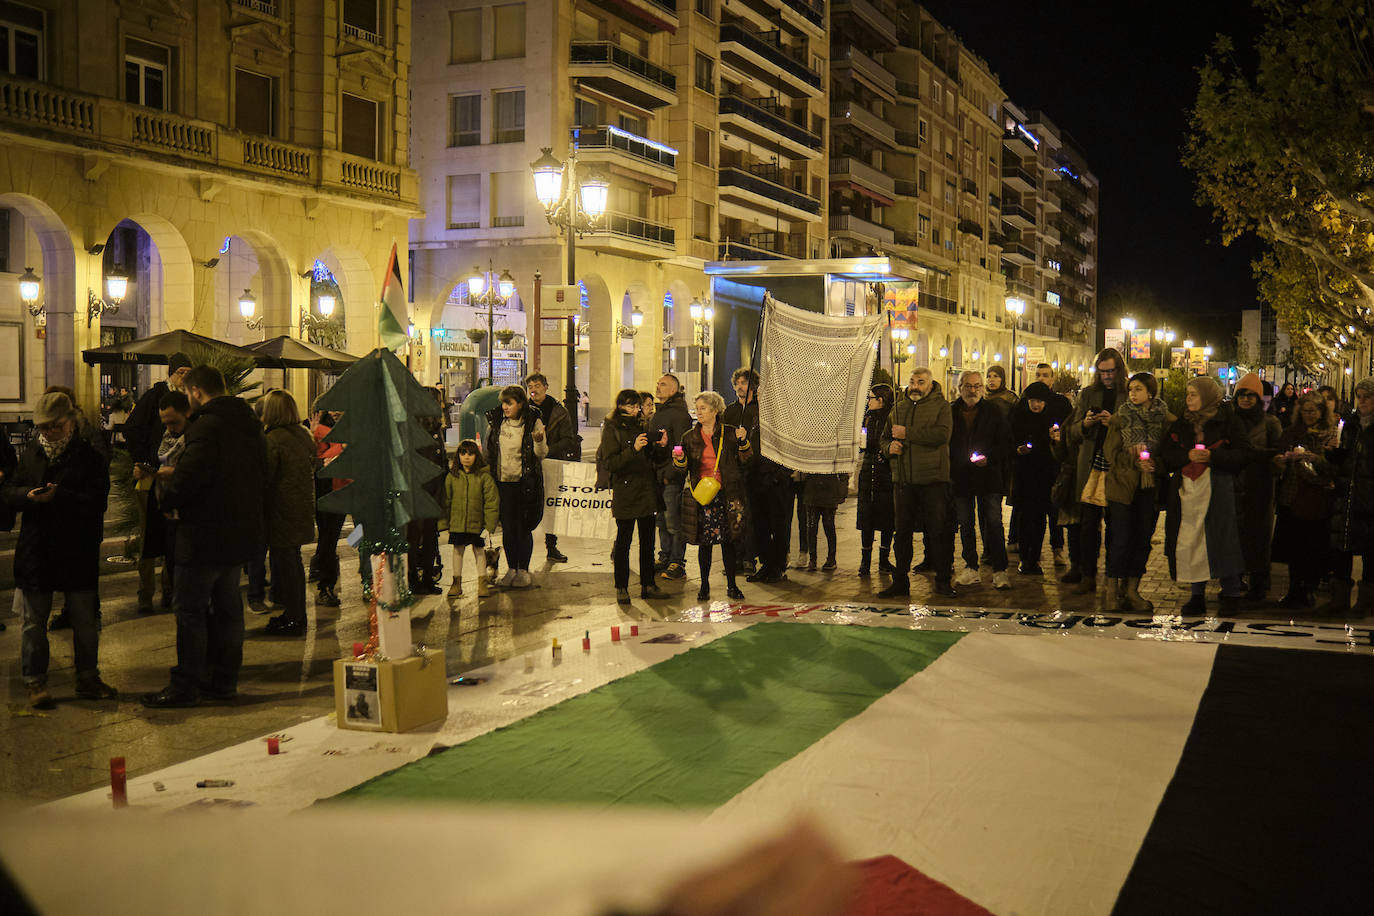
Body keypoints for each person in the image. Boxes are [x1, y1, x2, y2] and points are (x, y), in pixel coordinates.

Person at [142, 365, 267, 707]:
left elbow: (192, 476)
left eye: (187, 394)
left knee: (191, 611)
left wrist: (167, 495)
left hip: (203, 536)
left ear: (195, 392)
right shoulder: (249, 424)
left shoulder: (207, 426)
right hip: (238, 533)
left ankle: (186, 685)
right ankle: (224, 680)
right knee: (228, 609)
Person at [4, 392, 115, 708]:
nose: (48, 432)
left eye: (54, 426)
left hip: (76, 548)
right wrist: (28, 495)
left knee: (84, 619)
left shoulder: (89, 457)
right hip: (36, 549)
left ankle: (88, 677)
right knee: (33, 622)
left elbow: (97, 501)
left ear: (71, 422)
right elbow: (8, 492)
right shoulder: (32, 455)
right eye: (43, 427)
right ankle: (34, 680)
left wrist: (60, 496)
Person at [1159, 376, 1251, 616]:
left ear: (1208, 397)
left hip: (1219, 489)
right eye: (1187, 394)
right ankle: (1196, 593)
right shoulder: (1182, 423)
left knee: (1222, 537)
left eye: (1193, 394)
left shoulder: (1228, 421)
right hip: (1188, 491)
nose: (1188, 399)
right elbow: (1166, 453)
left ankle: (1230, 592)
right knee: (1192, 539)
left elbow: (1243, 454)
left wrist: (1214, 457)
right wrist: (1186, 456)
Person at [879, 368, 956, 599]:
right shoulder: (898, 408)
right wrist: (888, 449)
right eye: (912, 381)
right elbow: (884, 438)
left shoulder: (941, 407)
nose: (915, 386)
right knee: (902, 534)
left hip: (933, 480)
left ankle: (942, 581)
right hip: (903, 480)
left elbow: (942, 435)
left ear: (930, 385)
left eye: (920, 382)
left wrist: (907, 434)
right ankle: (900, 582)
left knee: (937, 532)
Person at [125, 352, 192, 614]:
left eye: (188, 371)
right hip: (151, 478)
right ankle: (146, 593)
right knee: (148, 538)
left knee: (172, 539)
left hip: (177, 479)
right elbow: (132, 428)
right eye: (180, 372)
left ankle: (170, 590)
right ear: (171, 373)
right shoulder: (155, 397)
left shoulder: (191, 401)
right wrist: (142, 460)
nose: (184, 376)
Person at [1061, 348, 1130, 593]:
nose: (1107, 376)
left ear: (1119, 370)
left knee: (1116, 525)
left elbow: (1133, 430)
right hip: (1090, 465)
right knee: (1088, 524)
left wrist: (1114, 422)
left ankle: (1114, 575)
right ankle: (1087, 574)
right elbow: (1073, 431)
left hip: (1116, 468)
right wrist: (1086, 424)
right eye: (1102, 372)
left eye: (1111, 371)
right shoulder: (1089, 394)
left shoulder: (1128, 393)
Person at [1103, 372, 1172, 611]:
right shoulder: (1120, 418)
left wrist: (1155, 463)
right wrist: (1132, 458)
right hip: (1122, 486)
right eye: (1131, 389)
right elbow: (1110, 453)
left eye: (1139, 389)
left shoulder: (1164, 419)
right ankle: (1112, 590)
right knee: (1120, 539)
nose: (1133, 393)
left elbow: (1168, 453)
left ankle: (1131, 590)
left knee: (1142, 539)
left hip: (1149, 487)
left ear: (1151, 393)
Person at [673, 390, 751, 601]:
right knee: (704, 543)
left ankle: (732, 585)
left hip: (726, 493)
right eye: (697, 408)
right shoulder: (689, 437)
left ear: (715, 410)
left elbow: (746, 459)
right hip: (703, 496)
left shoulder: (730, 433)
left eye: (703, 408)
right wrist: (679, 458)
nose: (699, 412)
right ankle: (704, 585)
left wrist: (743, 441)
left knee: (728, 541)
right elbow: (682, 468)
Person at [598, 388, 670, 603]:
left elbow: (654, 459)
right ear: (620, 406)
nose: (636, 409)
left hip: (646, 490)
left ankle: (648, 584)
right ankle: (621, 586)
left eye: (637, 405)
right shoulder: (612, 428)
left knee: (648, 542)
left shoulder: (643, 425)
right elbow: (611, 463)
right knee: (624, 542)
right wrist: (634, 449)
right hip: (626, 491)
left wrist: (661, 446)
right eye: (631, 405)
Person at [723, 368, 793, 583]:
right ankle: (765, 563)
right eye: (739, 383)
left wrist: (782, 472)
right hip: (751, 476)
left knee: (777, 523)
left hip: (775, 477)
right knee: (759, 523)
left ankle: (778, 565)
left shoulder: (777, 416)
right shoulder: (735, 412)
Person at [1271, 393, 1338, 609]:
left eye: (1313, 411)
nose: (1309, 415)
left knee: (1313, 547)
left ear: (1321, 412)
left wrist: (1315, 459)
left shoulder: (1329, 434)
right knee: (1293, 547)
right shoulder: (1291, 433)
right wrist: (1281, 460)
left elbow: (1333, 468)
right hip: (1292, 496)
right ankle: (1294, 589)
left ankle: (1309, 588)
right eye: (1305, 411)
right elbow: (1278, 460)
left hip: (1316, 499)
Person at [258, 391, 316, 636]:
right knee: (291, 561)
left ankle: (295, 616)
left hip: (280, 510)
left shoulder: (272, 439)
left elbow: (265, 477)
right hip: (301, 507)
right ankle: (293, 613)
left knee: (287, 564)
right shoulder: (304, 435)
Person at [949, 371, 1012, 589]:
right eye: (968, 386)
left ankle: (1000, 569)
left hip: (988, 476)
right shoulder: (951, 411)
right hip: (961, 477)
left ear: (982, 388)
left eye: (977, 386)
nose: (973, 390)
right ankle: (971, 567)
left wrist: (990, 458)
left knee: (993, 522)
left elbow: (1005, 442)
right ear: (960, 388)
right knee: (965, 523)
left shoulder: (993, 411)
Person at [485, 385, 547, 587]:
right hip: (503, 484)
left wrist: (538, 442)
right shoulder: (496, 423)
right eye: (503, 402)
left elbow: (541, 453)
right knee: (509, 529)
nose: (504, 407)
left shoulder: (532, 421)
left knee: (523, 528)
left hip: (525, 484)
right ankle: (511, 569)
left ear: (520, 403)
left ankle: (523, 569)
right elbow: (489, 452)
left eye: (509, 403)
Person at [1232, 372, 1283, 601]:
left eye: (1251, 396)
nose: (1246, 400)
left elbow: (1277, 454)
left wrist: (1264, 460)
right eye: (1242, 395)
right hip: (1233, 484)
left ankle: (1259, 583)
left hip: (1260, 486)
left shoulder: (1270, 423)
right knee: (1234, 534)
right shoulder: (1230, 421)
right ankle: (1234, 578)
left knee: (1259, 535)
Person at [1327, 376, 1374, 615]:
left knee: (1369, 550)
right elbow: (1346, 456)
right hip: (1348, 494)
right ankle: (1339, 598)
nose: (1363, 401)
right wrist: (1334, 455)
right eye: (1359, 396)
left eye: (1368, 397)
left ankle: (1366, 601)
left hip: (1369, 496)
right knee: (1342, 546)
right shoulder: (1352, 424)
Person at [525, 373, 576, 563]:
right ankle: (525, 546)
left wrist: (547, 450)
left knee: (552, 504)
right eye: (530, 385)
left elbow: (568, 439)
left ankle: (551, 545)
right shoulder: (525, 411)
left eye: (537, 385)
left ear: (545, 387)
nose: (534, 389)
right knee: (529, 504)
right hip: (529, 466)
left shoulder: (558, 411)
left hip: (552, 463)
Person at [1009, 382, 1059, 575]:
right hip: (1024, 474)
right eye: (1032, 401)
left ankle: (1034, 557)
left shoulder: (1050, 420)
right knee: (1024, 517)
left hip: (1044, 474)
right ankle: (1024, 557)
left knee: (1039, 518)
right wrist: (1018, 449)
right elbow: (1011, 440)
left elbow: (1057, 451)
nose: (1036, 405)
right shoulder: (1019, 417)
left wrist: (1054, 441)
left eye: (1039, 401)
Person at [439, 439, 499, 598]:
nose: (466, 457)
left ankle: (482, 583)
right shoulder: (452, 477)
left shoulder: (484, 477)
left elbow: (491, 502)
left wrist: (489, 525)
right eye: (463, 453)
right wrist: (445, 523)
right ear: (458, 456)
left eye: (471, 453)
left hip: (477, 523)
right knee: (457, 551)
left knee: (479, 551)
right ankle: (456, 583)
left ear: (476, 456)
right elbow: (446, 501)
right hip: (458, 523)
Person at [648, 374, 693, 580]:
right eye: (658, 384)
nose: (658, 387)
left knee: (673, 521)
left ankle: (677, 561)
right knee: (661, 521)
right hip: (657, 475)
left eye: (663, 384)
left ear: (673, 390)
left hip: (670, 477)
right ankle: (664, 556)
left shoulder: (679, 415)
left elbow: (681, 447)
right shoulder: (659, 413)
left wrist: (670, 473)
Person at [856, 384, 895, 576]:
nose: (868, 401)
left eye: (871, 398)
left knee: (887, 519)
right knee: (867, 519)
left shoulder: (891, 418)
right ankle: (865, 562)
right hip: (868, 471)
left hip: (885, 475)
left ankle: (884, 560)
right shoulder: (867, 417)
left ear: (880, 400)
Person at [407, 413, 447, 596]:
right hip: (417, 494)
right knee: (413, 539)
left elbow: (442, 463)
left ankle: (428, 578)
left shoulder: (436, 431)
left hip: (434, 492)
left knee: (431, 538)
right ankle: (412, 579)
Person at [309, 408, 346, 608]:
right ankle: (324, 580)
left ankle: (324, 579)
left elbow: (341, 450)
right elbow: (316, 456)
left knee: (329, 538)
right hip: (322, 489)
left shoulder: (347, 427)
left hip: (339, 489)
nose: (335, 412)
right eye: (331, 408)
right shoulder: (316, 429)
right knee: (326, 537)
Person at [801, 471, 848, 571]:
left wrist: (842, 490)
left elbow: (843, 470)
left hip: (826, 491)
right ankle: (814, 559)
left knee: (828, 526)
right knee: (812, 527)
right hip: (814, 491)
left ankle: (829, 559)